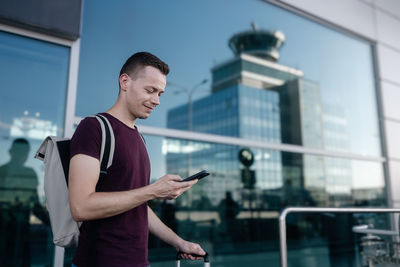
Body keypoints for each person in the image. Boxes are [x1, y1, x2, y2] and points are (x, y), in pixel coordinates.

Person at [68, 52, 205, 267]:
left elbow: (137, 205)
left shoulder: (139, 137)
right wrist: (153, 190)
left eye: (160, 93)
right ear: (125, 82)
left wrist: (179, 242)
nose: (157, 100)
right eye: (150, 90)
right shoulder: (93, 128)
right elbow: (80, 207)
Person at [0, 138, 49, 267]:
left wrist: (53, 224)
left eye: (25, 152)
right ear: (11, 152)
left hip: (22, 233)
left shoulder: (30, 174)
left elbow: (36, 206)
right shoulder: (2, 172)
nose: (22, 156)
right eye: (20, 152)